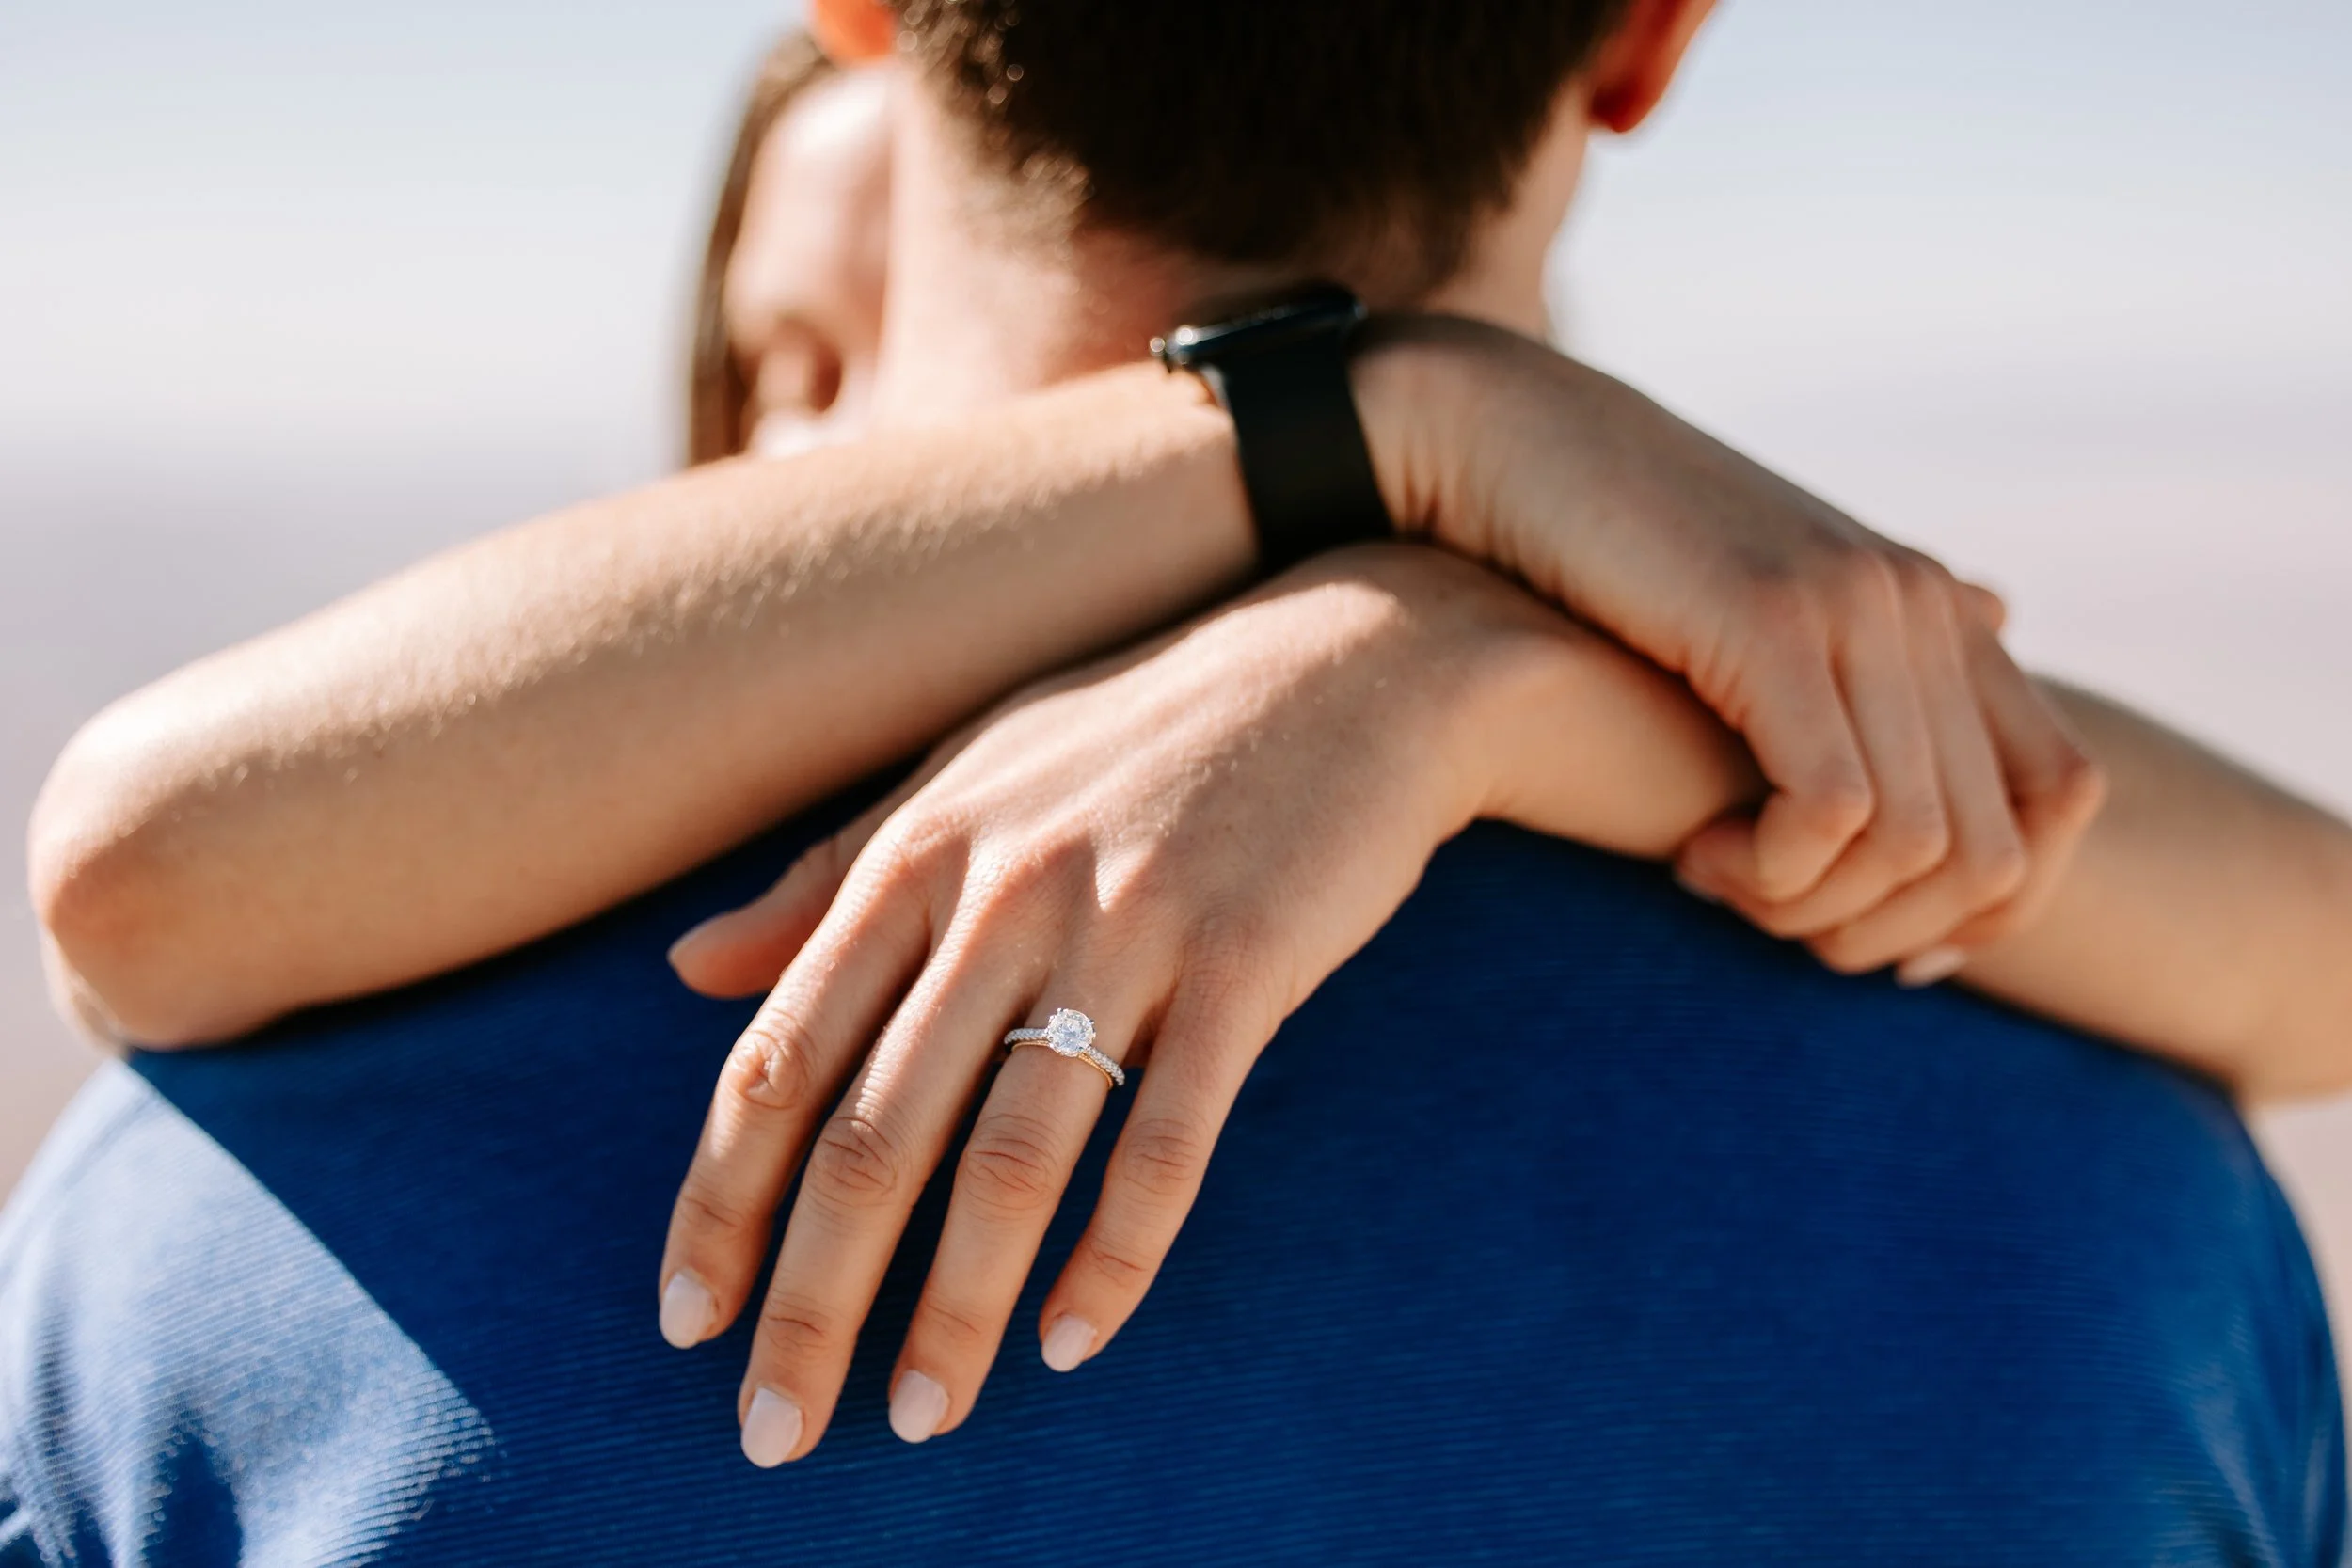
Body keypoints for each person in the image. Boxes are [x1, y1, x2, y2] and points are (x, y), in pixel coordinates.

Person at [7, 0, 2348, 1560]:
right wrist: (1419, 498)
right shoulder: (2136, 1237)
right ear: (1644, 41)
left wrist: (1427, 604)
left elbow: (126, 865)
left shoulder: (216, 1236)